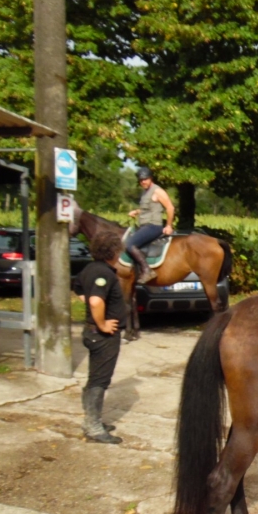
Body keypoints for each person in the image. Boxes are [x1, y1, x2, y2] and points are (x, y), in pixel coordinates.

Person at [75, 230, 127, 444]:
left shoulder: (90, 269)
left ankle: (91, 419)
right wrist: (103, 323)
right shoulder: (103, 273)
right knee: (99, 380)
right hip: (102, 336)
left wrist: (89, 303)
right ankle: (94, 427)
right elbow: (96, 301)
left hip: (91, 333)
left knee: (94, 377)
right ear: (113, 251)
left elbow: (77, 287)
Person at [127, 166, 175, 284]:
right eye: (141, 180)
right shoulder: (145, 192)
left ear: (151, 178)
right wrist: (136, 212)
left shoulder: (157, 191)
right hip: (144, 225)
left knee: (130, 244)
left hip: (153, 226)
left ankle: (147, 270)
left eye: (145, 179)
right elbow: (146, 209)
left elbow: (170, 207)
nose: (143, 181)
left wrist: (168, 226)